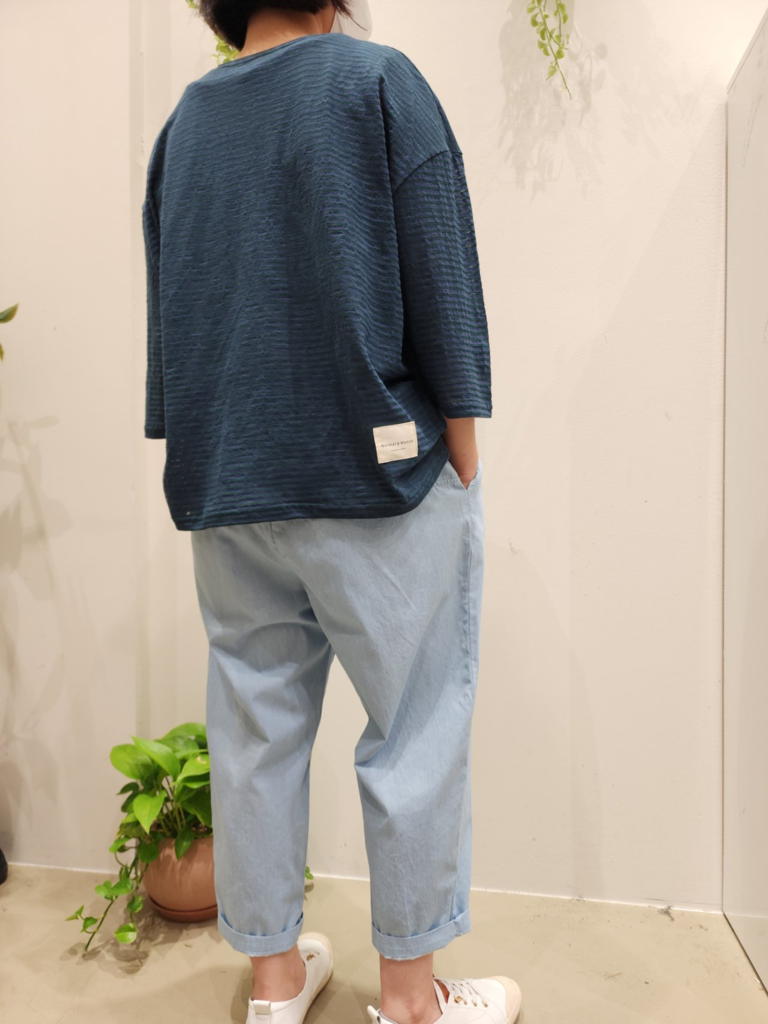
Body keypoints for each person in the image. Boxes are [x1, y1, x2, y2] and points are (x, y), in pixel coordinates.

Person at [141, 2, 522, 1024]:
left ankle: (274, 991)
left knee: (254, 732)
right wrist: (463, 445)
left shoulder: (186, 123)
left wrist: (188, 437)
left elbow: (174, 308)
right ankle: (410, 1001)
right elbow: (441, 271)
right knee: (416, 729)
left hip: (230, 481)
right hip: (374, 477)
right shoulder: (377, 82)